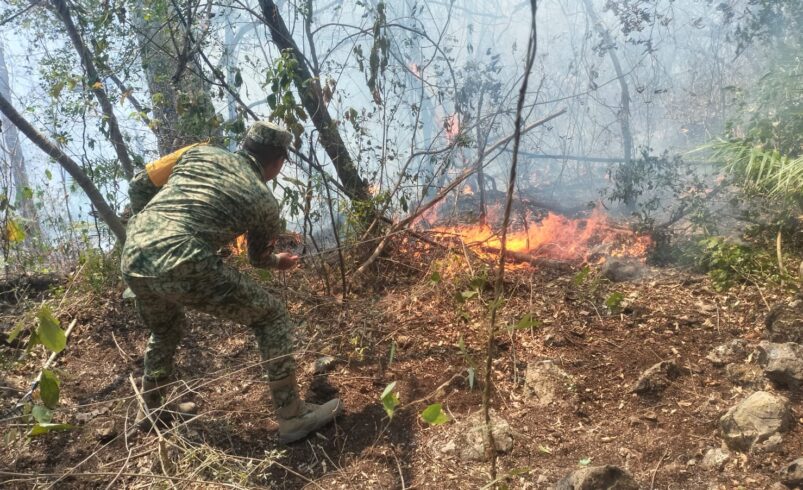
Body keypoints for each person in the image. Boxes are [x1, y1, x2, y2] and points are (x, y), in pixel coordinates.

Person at [121, 121, 342, 443]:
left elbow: (139, 183)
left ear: (245, 145)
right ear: (278, 161)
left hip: (133, 255)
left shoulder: (198, 152)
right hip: (181, 258)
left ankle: (151, 411)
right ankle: (293, 417)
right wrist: (279, 262)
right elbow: (257, 259)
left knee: (165, 329)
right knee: (272, 317)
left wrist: (150, 228)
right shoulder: (264, 201)